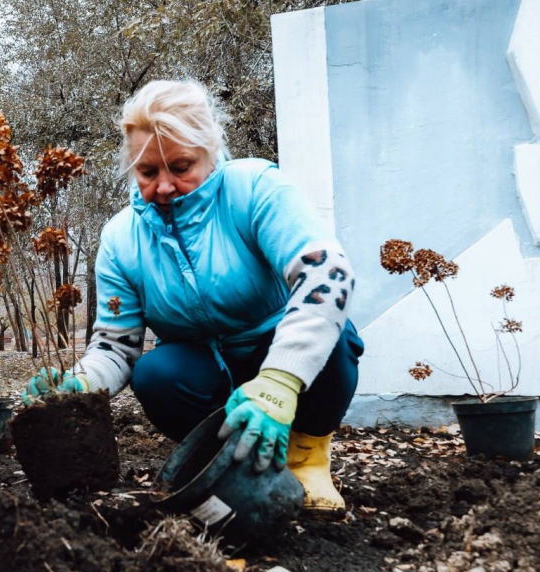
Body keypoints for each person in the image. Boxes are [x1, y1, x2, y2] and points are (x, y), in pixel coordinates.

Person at [24, 80, 363, 513]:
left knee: (331, 335)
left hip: (279, 355)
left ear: (210, 152)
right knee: (156, 372)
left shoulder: (254, 188)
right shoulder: (120, 240)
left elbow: (327, 275)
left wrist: (280, 380)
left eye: (181, 166)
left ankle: (306, 457)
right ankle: (223, 456)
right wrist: (80, 385)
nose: (164, 186)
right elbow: (115, 347)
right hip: (204, 371)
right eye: (148, 172)